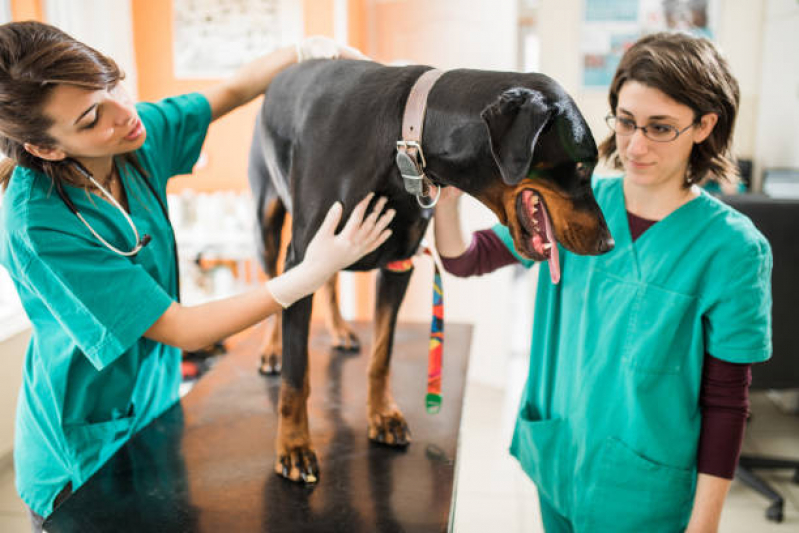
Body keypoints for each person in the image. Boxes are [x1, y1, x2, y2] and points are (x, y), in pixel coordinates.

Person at [0, 21, 394, 530]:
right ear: (47, 148)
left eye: (112, 84)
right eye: (93, 116)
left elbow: (229, 91)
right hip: (81, 448)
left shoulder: (131, 139)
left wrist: (303, 50)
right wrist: (308, 273)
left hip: (154, 413)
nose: (124, 113)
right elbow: (183, 328)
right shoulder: (37, 224)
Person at [434, 32, 771, 533]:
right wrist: (448, 196)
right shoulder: (575, 201)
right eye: (627, 121)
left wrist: (705, 524)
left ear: (703, 126)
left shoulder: (732, 250)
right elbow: (465, 260)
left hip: (647, 491)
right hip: (560, 458)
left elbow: (727, 401)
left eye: (660, 128)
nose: (634, 146)